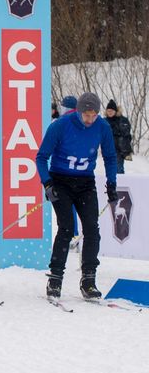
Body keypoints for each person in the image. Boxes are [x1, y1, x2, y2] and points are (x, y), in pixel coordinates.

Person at [36, 92, 118, 300]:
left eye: (94, 115)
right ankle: (55, 279)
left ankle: (88, 281)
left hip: (85, 183)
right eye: (86, 115)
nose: (90, 120)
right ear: (79, 111)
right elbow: (41, 156)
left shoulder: (102, 127)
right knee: (65, 228)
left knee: (92, 229)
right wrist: (47, 183)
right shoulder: (61, 125)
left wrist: (112, 183)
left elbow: (109, 157)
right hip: (61, 181)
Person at [105, 100, 132, 174]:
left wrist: (126, 151)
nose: (110, 112)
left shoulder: (122, 120)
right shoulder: (104, 121)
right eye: (108, 110)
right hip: (108, 149)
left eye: (111, 110)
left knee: (118, 170)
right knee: (110, 169)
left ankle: (119, 184)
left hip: (119, 150)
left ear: (115, 111)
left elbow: (126, 135)